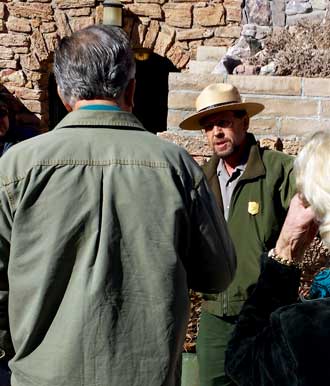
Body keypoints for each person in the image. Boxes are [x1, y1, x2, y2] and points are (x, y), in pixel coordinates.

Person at [0, 26, 236, 386]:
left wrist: (17, 354)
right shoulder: (177, 167)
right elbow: (218, 275)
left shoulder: (16, 168)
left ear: (63, 94)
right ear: (131, 90)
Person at [179, 83, 296, 386]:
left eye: (224, 122)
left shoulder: (278, 170)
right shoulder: (200, 179)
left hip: (266, 310)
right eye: (208, 127)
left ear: (244, 122)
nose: (216, 132)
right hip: (215, 313)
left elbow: (315, 205)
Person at [225, 130, 330, 386]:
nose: (216, 131)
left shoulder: (303, 329)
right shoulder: (206, 174)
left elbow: (243, 363)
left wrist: (284, 251)